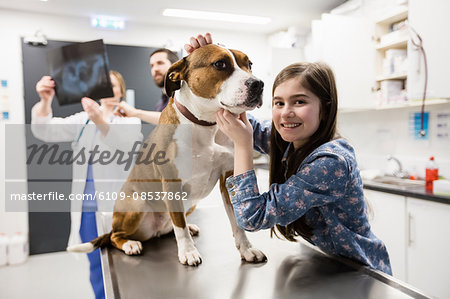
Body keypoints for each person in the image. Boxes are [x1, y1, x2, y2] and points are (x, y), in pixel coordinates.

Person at [184, 33, 391, 274]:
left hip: (361, 274)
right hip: (326, 265)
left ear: (325, 108)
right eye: (278, 103)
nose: (286, 113)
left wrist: (243, 145)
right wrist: (209, 65)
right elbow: (239, 114)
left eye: (299, 102)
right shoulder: (292, 138)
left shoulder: (330, 163)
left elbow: (252, 217)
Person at [31, 70, 143, 298]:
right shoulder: (83, 119)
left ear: (120, 90)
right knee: (96, 265)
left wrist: (98, 119)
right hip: (87, 210)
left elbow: (124, 144)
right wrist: (45, 100)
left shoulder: (130, 120)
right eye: (103, 85)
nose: (109, 89)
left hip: (119, 209)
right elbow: (44, 129)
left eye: (113, 85)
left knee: (125, 264)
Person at [110, 48, 179, 123]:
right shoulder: (160, 104)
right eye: (152, 65)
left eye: (160, 63)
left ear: (174, 66)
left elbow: (175, 120)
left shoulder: (183, 95)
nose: (155, 69)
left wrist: (135, 112)